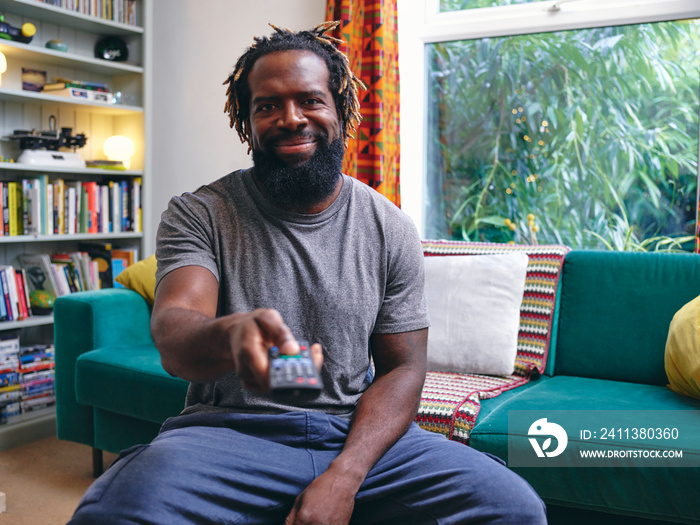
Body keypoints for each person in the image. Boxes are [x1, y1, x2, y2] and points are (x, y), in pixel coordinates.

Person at [69, 22, 546, 525]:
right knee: (113, 513)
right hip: (229, 435)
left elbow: (404, 368)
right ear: (245, 124)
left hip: (357, 436)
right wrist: (232, 336)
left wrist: (345, 474)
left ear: (341, 111)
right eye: (267, 106)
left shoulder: (389, 227)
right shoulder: (201, 213)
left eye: (310, 101)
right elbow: (174, 331)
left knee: (512, 508)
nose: (290, 118)